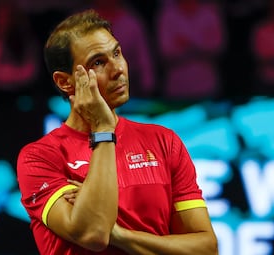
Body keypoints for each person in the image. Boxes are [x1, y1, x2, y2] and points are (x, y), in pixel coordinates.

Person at [16, 9, 218, 255]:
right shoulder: (40, 157)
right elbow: (93, 234)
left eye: (117, 53)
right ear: (65, 81)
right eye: (98, 62)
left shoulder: (164, 141)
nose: (118, 69)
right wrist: (102, 130)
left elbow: (205, 249)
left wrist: (120, 234)